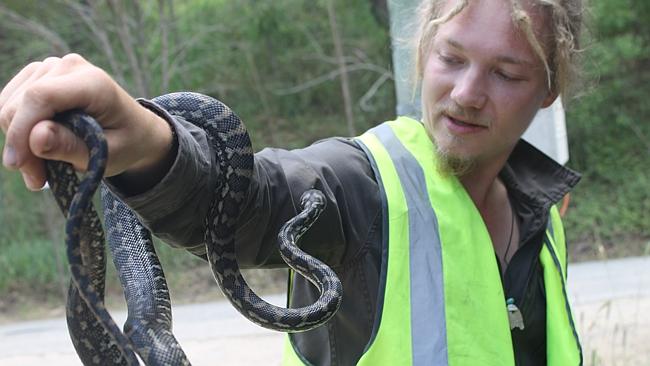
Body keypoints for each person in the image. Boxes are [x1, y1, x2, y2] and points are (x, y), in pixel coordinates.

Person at [0, 0, 585, 364]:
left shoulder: (542, 208)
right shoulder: (363, 184)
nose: (466, 93)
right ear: (425, 54)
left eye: (506, 73)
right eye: (452, 59)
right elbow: (254, 198)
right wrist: (151, 146)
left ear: (549, 89)